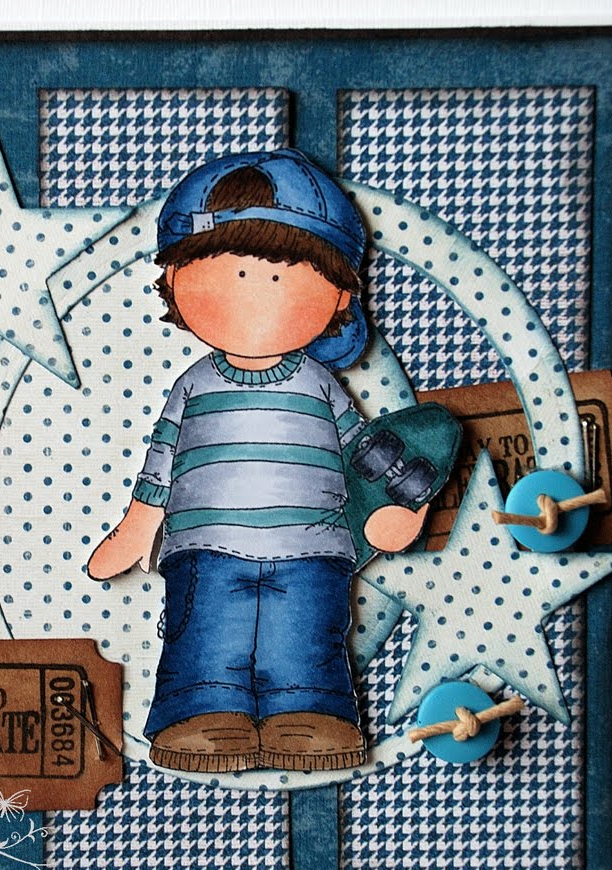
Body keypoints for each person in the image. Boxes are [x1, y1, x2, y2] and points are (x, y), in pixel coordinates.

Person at [87, 149, 429, 773]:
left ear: (340, 296)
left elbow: (362, 451)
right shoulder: (193, 386)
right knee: (205, 638)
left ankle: (309, 714)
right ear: (173, 279)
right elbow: (162, 463)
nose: (252, 290)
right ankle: (201, 713)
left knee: (305, 640)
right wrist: (136, 529)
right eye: (231, 272)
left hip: (313, 550)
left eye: (278, 277)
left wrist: (398, 506)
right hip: (205, 548)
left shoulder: (320, 385)